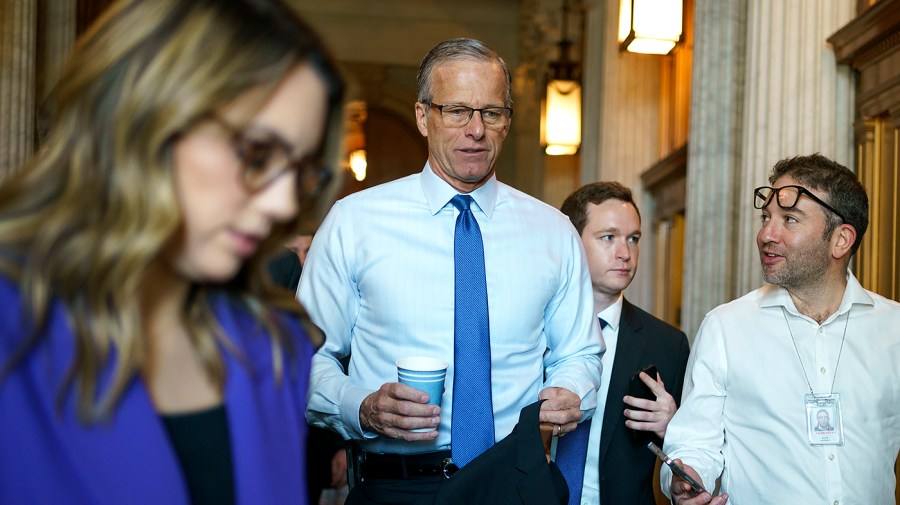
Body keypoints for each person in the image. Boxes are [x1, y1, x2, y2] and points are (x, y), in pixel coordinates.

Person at [0, 1, 344, 504]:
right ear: (142, 117)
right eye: (256, 153)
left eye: (300, 172)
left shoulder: (272, 347)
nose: (284, 203)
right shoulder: (14, 326)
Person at [298, 37, 603, 504]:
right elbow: (303, 359)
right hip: (395, 484)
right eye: (457, 110)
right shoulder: (354, 222)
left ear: (507, 121)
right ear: (424, 116)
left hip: (515, 483)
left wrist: (569, 391)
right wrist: (361, 408)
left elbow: (580, 353)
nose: (476, 129)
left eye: (492, 112)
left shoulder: (554, 232)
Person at [660, 153, 900, 505]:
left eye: (790, 219)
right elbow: (695, 443)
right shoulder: (726, 327)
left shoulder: (893, 328)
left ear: (841, 240)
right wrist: (687, 477)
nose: (765, 235)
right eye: (766, 218)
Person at [560, 182, 690, 505]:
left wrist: (675, 429)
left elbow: (695, 459)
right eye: (609, 237)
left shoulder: (668, 345)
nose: (625, 253)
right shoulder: (530, 330)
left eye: (633, 239)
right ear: (572, 242)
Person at [267, 235, 349, 505]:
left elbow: (310, 372)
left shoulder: (286, 269)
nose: (305, 259)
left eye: (310, 251)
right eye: (296, 250)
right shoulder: (277, 268)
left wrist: (337, 446)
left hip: (292, 446)